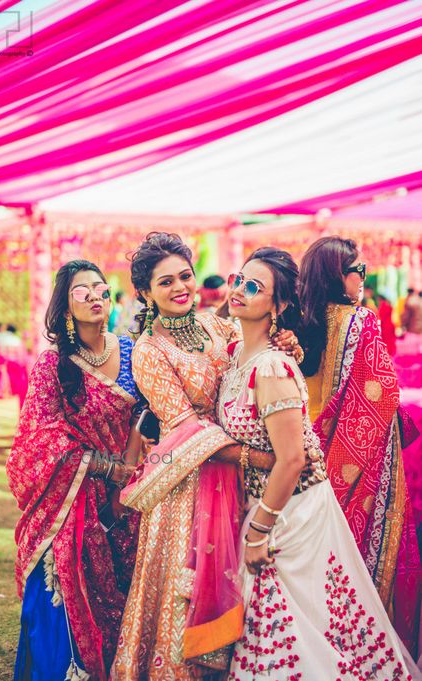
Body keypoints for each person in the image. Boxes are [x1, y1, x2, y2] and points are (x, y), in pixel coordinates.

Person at [217, 247, 416, 681]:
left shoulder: (270, 367)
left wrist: (258, 530)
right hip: (260, 505)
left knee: (292, 639)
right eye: (238, 279)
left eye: (254, 287)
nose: (239, 291)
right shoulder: (234, 356)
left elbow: (292, 459)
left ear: (280, 304)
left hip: (291, 512)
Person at [110, 233, 301, 680]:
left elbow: (258, 361)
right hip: (186, 487)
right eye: (165, 282)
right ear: (145, 293)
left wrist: (286, 343)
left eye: (184, 276)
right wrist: (254, 457)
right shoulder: (149, 351)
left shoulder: (219, 326)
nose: (179, 287)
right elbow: (183, 426)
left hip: (235, 483)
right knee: (185, 591)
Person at [6, 260, 143, 681]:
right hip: (70, 506)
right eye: (81, 291)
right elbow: (37, 437)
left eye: (100, 288)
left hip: (131, 499)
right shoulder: (52, 365)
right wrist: (103, 466)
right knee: (63, 603)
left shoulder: (133, 352)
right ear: (66, 308)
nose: (95, 296)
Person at [299, 236, 420, 660]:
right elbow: (383, 394)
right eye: (359, 271)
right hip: (359, 470)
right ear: (339, 276)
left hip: (303, 468)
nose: (363, 279)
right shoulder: (361, 321)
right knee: (364, 574)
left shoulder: (296, 324)